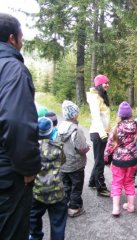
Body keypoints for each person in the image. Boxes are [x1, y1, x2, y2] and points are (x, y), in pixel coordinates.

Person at [0, 13, 42, 239]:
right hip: (8, 177)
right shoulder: (13, 70)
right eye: (21, 36)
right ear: (12, 39)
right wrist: (29, 168)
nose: (22, 41)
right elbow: (16, 122)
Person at [29, 117, 67, 240]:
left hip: (37, 191)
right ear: (51, 131)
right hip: (56, 191)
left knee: (33, 217)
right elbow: (63, 161)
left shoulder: (32, 148)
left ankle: (35, 237)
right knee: (58, 222)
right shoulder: (58, 147)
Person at [104, 101, 137, 217]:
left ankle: (116, 209)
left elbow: (109, 145)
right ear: (130, 114)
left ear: (120, 115)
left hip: (118, 161)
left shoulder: (116, 128)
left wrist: (106, 158)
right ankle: (131, 206)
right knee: (129, 182)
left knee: (117, 183)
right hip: (132, 160)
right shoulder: (136, 126)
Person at [58, 100, 90, 217]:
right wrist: (87, 147)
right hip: (76, 165)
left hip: (63, 164)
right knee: (76, 187)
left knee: (66, 186)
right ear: (74, 115)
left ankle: (63, 206)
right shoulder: (76, 130)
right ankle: (74, 208)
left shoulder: (60, 128)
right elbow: (81, 148)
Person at [87, 74, 111, 197]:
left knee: (98, 160)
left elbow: (105, 117)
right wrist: (103, 134)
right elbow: (96, 118)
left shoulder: (101, 96)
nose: (107, 85)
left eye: (107, 83)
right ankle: (101, 188)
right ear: (98, 85)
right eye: (104, 83)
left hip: (102, 132)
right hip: (98, 133)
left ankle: (92, 182)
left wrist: (108, 131)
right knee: (100, 161)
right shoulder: (94, 98)